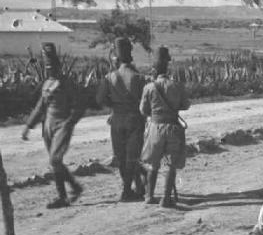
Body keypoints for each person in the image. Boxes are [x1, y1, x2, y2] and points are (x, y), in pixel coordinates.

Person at [21, 42, 84, 209]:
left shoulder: (67, 83)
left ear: (58, 66)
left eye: (52, 66)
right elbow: (40, 107)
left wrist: (71, 121)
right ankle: (75, 187)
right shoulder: (46, 84)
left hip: (63, 124)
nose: (50, 70)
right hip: (48, 125)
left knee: (55, 159)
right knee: (55, 161)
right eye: (47, 67)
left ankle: (62, 197)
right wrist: (28, 126)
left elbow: (80, 104)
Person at [96, 37, 146, 201]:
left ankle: (130, 187)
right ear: (130, 56)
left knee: (121, 156)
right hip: (134, 118)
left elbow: (100, 99)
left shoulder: (109, 77)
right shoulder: (138, 77)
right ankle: (127, 191)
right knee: (133, 156)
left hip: (116, 119)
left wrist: (114, 106)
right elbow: (144, 100)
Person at [140, 46, 190, 208]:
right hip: (173, 128)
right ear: (167, 66)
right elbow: (186, 105)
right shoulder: (176, 86)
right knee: (171, 164)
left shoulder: (149, 87)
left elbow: (143, 110)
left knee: (152, 164)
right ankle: (166, 199)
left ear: (154, 68)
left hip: (155, 128)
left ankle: (149, 195)